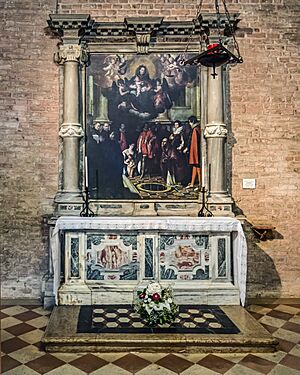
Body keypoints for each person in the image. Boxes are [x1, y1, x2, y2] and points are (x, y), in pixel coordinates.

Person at [185, 115, 202, 191]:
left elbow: (194, 143)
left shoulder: (195, 130)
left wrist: (192, 153)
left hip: (196, 152)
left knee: (197, 167)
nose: (189, 124)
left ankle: (200, 184)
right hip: (195, 151)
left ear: (191, 122)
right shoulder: (197, 128)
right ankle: (192, 183)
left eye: (189, 122)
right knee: (195, 167)